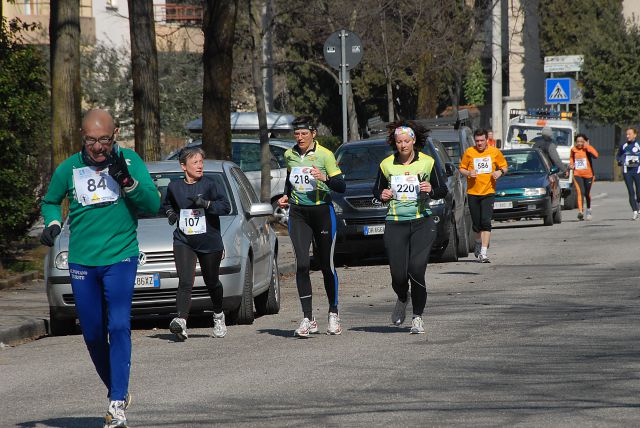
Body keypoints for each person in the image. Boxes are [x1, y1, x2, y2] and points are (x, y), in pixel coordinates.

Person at [40, 109, 160, 428]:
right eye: (91, 140)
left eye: (104, 140)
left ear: (115, 134)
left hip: (121, 255)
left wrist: (128, 182)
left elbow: (152, 204)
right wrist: (52, 223)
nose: (97, 147)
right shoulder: (70, 168)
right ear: (82, 135)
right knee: (93, 332)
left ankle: (117, 401)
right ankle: (117, 388)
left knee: (119, 324)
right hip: (82, 260)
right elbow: (50, 201)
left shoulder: (129, 160)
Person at [372, 121, 447, 334]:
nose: (403, 145)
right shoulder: (387, 164)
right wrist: (382, 195)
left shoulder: (428, 163)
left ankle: (417, 317)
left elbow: (443, 190)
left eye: (406, 141)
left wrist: (431, 189)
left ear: (414, 141)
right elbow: (376, 190)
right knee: (398, 275)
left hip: (422, 222)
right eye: (399, 142)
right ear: (394, 143)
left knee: (416, 270)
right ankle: (402, 297)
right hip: (395, 223)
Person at [277, 115, 346, 337]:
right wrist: (285, 196)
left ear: (313, 134)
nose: (300, 138)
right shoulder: (290, 155)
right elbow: (291, 179)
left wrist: (324, 177)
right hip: (298, 214)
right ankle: (308, 318)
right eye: (297, 134)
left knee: (327, 265)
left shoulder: (325, 155)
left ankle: (333, 313)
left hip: (322, 212)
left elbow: (341, 186)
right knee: (302, 264)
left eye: (304, 134)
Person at [162, 147, 231, 340]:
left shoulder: (210, 184)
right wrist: (170, 214)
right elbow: (167, 204)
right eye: (195, 162)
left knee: (212, 282)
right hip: (184, 240)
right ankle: (181, 321)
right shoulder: (174, 187)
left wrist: (207, 205)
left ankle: (218, 315)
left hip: (209, 241)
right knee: (185, 281)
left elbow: (226, 206)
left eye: (201, 162)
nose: (200, 166)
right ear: (183, 166)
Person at [459, 128, 508, 263]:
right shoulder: (469, 152)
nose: (479, 143)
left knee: (486, 222)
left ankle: (484, 253)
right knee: (476, 224)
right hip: (473, 192)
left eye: (482, 140)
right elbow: (461, 168)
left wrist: (500, 172)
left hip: (488, 192)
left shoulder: (494, 152)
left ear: (487, 140)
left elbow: (504, 166)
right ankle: (478, 243)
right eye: (477, 141)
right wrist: (468, 173)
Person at [569, 133, 599, 221]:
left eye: (581, 142)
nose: (579, 143)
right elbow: (571, 158)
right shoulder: (573, 150)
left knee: (587, 193)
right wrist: (571, 165)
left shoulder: (587, 149)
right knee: (580, 192)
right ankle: (580, 212)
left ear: (585, 142)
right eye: (578, 141)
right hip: (577, 174)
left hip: (589, 175)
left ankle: (589, 210)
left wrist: (588, 146)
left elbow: (596, 155)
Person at [616, 127, 640, 220]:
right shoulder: (624, 145)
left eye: (629, 134)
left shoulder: (638, 145)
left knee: (639, 192)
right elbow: (618, 155)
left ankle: (638, 204)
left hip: (637, 171)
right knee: (631, 192)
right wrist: (619, 161)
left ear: (635, 134)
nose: (627, 136)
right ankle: (634, 211)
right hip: (627, 172)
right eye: (626, 134)